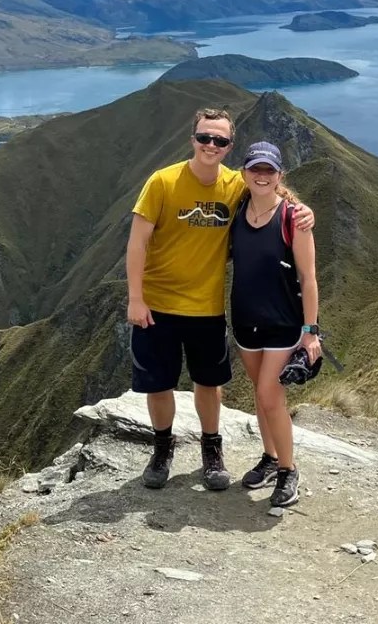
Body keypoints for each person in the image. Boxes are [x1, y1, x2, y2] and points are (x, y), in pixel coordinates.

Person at [126, 108, 313, 491]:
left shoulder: (235, 184)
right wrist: (135, 298)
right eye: (205, 137)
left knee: (208, 384)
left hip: (207, 308)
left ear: (229, 147)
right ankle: (162, 449)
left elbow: (273, 193)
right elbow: (137, 242)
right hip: (157, 304)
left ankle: (212, 451)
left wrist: (304, 211)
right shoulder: (162, 182)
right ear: (192, 138)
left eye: (221, 140)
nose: (211, 145)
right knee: (158, 384)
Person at [230, 141, 321, 508]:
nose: (262, 176)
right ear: (244, 173)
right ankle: (270, 459)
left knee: (270, 396)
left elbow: (309, 278)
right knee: (259, 391)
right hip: (245, 322)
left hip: (284, 324)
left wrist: (310, 332)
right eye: (256, 169)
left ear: (280, 175)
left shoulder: (294, 219)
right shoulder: (237, 210)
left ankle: (288, 470)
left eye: (269, 170)